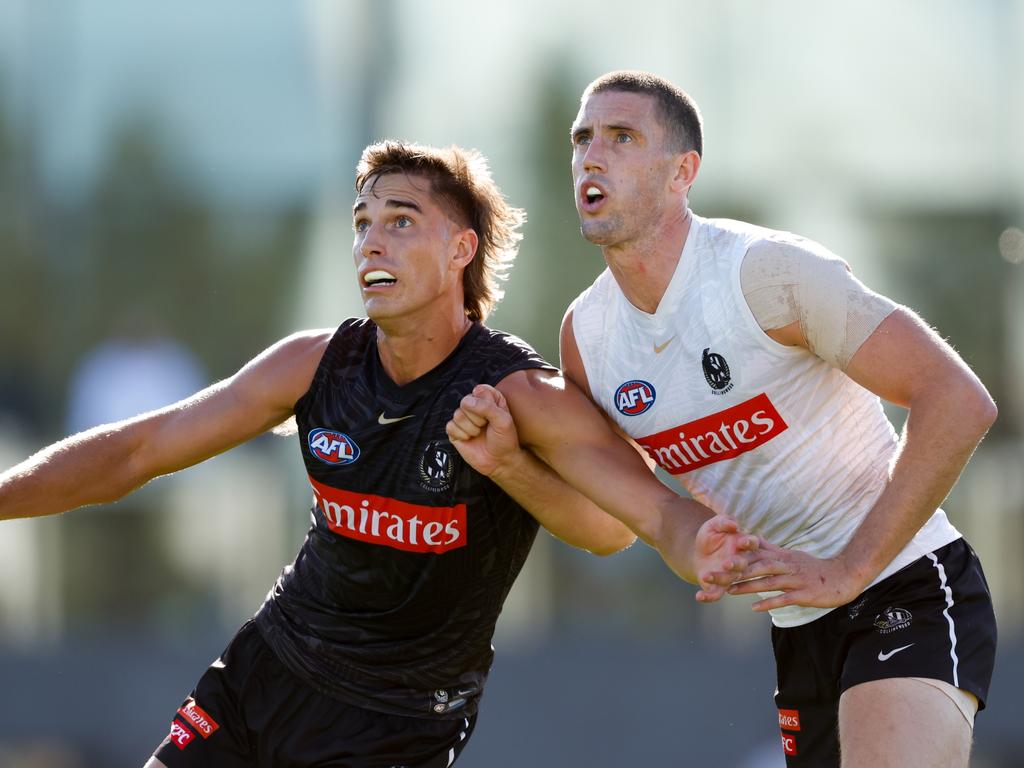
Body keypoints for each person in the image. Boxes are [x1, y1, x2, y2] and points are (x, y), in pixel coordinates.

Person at [0, 139, 759, 768]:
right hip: (268, 671)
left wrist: (510, 467)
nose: (371, 241)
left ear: (461, 248)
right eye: (363, 222)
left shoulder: (519, 392)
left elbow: (618, 527)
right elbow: (139, 449)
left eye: (401, 221)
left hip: (397, 721)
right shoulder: (315, 362)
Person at [553, 70, 997, 767]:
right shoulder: (586, 334)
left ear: (682, 172)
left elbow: (959, 400)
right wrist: (513, 459)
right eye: (582, 139)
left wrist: (851, 566)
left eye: (622, 136)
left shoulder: (766, 275)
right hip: (796, 625)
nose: (592, 156)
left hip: (905, 582)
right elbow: (612, 523)